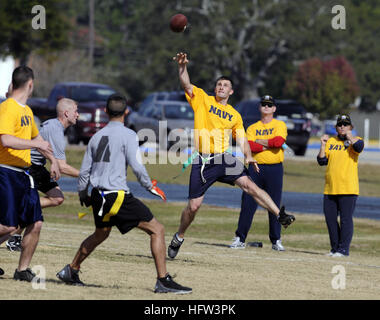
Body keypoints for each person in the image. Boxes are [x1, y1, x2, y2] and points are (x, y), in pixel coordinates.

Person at [56, 93, 192, 294]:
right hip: (116, 196)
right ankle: (163, 280)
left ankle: (71, 269)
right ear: (126, 112)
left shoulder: (96, 137)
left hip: (98, 195)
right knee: (157, 230)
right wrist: (149, 186)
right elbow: (137, 167)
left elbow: (85, 171)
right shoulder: (129, 135)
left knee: (101, 233)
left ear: (105, 112)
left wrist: (83, 194)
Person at [167, 52, 295, 259]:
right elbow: (187, 84)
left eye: (225, 85)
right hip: (203, 160)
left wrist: (249, 156)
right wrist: (182, 67)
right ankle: (179, 236)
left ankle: (279, 215)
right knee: (193, 206)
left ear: (231, 91)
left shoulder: (235, 115)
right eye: (219, 84)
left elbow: (242, 139)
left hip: (224, 159)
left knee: (251, 186)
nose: (221, 87)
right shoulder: (202, 100)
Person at [0, 66, 60, 281]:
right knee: (8, 225)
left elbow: (39, 142)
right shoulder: (8, 108)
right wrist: (34, 144)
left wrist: (53, 161)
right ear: (30, 84)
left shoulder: (26, 111)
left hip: (25, 175)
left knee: (35, 223)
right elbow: (6, 140)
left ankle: (22, 269)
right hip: (5, 172)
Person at [5, 98, 80, 252]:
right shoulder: (55, 129)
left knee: (57, 198)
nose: (78, 115)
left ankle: (19, 219)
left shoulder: (56, 126)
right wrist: (88, 175)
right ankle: (14, 235)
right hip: (29, 167)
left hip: (38, 167)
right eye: (76, 111)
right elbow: (62, 166)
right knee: (32, 207)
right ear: (66, 113)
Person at [230, 95, 288, 251]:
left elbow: (279, 143)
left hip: (275, 168)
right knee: (248, 203)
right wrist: (268, 145)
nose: (266, 107)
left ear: (274, 108)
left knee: (274, 203)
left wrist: (260, 142)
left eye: (270, 105)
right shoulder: (252, 127)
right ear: (259, 107)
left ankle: (276, 239)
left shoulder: (280, 125)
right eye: (264, 104)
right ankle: (240, 238)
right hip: (255, 167)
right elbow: (249, 146)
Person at [317, 114, 364, 257]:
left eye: (345, 124)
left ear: (350, 127)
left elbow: (359, 147)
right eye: (340, 124)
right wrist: (323, 144)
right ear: (336, 127)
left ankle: (343, 250)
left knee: (345, 219)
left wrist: (350, 136)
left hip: (348, 188)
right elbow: (321, 161)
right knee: (330, 219)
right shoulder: (331, 141)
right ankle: (335, 248)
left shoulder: (356, 140)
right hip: (330, 187)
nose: (342, 127)